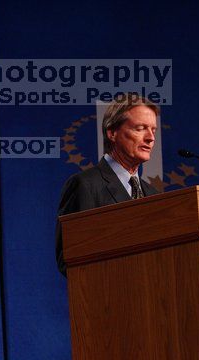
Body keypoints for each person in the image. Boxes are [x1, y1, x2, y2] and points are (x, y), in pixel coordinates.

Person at [56, 95, 160, 275]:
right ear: (112, 133)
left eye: (153, 130)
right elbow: (69, 259)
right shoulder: (85, 185)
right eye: (140, 128)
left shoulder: (152, 194)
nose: (150, 138)